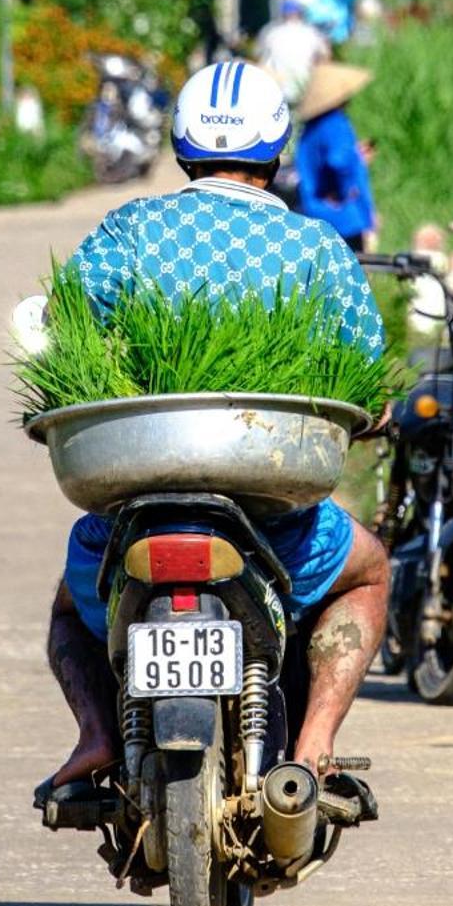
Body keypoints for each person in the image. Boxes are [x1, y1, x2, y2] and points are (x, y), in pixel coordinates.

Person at [42, 59, 390, 794]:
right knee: (367, 570)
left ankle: (97, 736)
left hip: (139, 487)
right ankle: (315, 744)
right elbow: (362, 365)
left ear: (180, 145)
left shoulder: (129, 229)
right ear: (274, 148)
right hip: (272, 503)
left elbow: (63, 329)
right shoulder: (315, 246)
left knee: (74, 603)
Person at [294, 60, 377, 253]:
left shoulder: (311, 128)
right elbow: (339, 162)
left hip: (313, 212)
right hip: (342, 218)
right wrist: (351, 192)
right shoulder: (336, 123)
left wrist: (354, 154)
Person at [253, 0, 328, 107]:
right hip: (304, 88)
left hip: (277, 90)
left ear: (283, 14)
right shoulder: (311, 33)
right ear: (299, 13)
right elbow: (324, 57)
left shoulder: (270, 33)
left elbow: (258, 57)